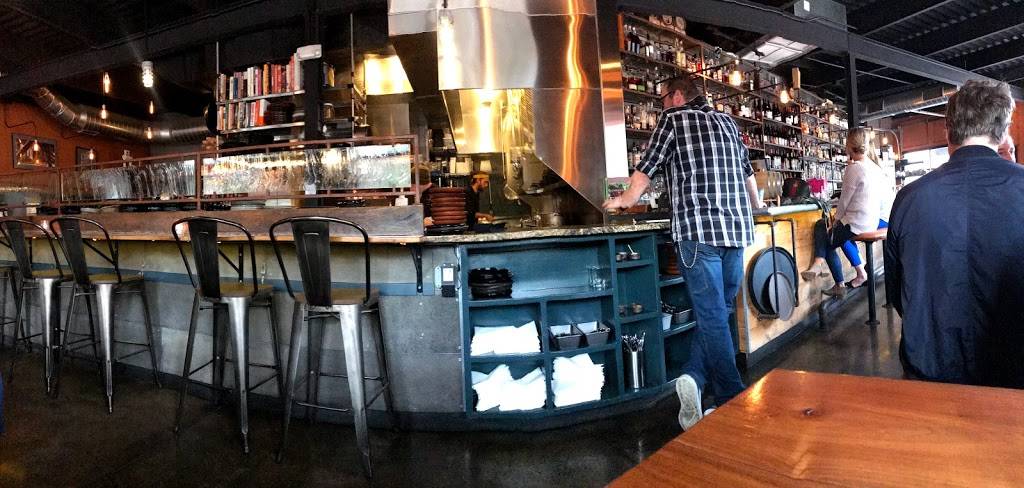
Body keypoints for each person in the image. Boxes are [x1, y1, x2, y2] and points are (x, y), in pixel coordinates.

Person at [603, 76, 764, 430]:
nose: (661, 105)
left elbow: (647, 166)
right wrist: (758, 206)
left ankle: (729, 398)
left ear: (677, 96)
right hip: (736, 231)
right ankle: (695, 378)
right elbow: (748, 174)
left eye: (662, 98)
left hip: (698, 232)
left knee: (712, 317)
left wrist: (625, 199)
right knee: (719, 313)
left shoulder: (673, 119)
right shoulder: (728, 122)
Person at [885, 80, 1024, 388]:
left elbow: (897, 291)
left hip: (930, 369)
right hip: (1014, 374)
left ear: (948, 130)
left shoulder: (909, 198)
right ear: (1003, 132)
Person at [801, 128, 892, 295]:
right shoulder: (874, 167)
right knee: (829, 236)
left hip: (857, 224)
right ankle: (828, 271)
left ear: (849, 145)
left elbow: (844, 201)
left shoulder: (854, 168)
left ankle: (829, 274)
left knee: (824, 232)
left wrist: (835, 221)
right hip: (870, 221)